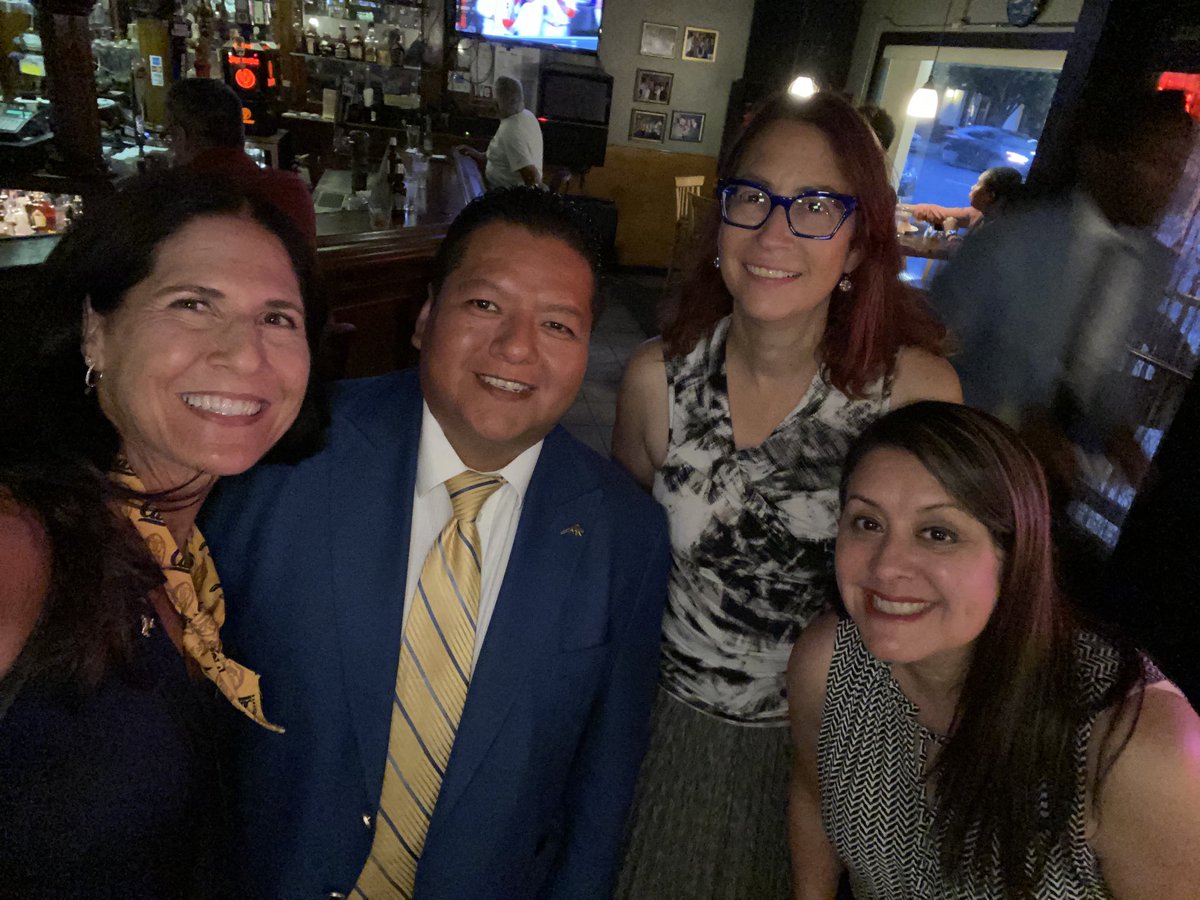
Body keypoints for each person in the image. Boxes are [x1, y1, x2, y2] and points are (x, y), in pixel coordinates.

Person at [200, 187, 672, 898]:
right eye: (485, 304)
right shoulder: (287, 455)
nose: (517, 347)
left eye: (557, 324)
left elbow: (599, 797)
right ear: (425, 317)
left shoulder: (626, 534)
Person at [612, 91, 960, 898]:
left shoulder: (915, 396)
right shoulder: (654, 380)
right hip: (661, 737)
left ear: (860, 242)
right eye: (753, 198)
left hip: (827, 750)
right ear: (720, 222)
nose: (774, 233)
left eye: (815, 206)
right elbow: (621, 570)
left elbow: (943, 600)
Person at [0, 170, 326, 893]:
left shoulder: (192, 556)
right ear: (96, 331)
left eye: (278, 318)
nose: (245, 355)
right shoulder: (23, 546)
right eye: (192, 304)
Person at [787, 400, 1200, 898]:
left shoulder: (1133, 749)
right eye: (867, 523)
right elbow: (813, 797)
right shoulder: (829, 663)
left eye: (938, 533)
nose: (885, 566)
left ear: (1015, 555)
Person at [166, 77, 318, 248]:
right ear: (240, 129)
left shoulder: (176, 205)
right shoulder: (292, 190)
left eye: (169, 135)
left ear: (180, 135)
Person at [456, 76, 543, 188]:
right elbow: (501, 156)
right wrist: (476, 154)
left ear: (496, 104)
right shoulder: (527, 115)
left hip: (502, 194)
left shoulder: (511, 131)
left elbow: (533, 177)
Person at [910, 165, 1023, 231]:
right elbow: (939, 213)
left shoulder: (1002, 229)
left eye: (978, 184)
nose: (972, 187)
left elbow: (968, 256)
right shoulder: (979, 214)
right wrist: (903, 209)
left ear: (990, 196)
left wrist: (951, 233)